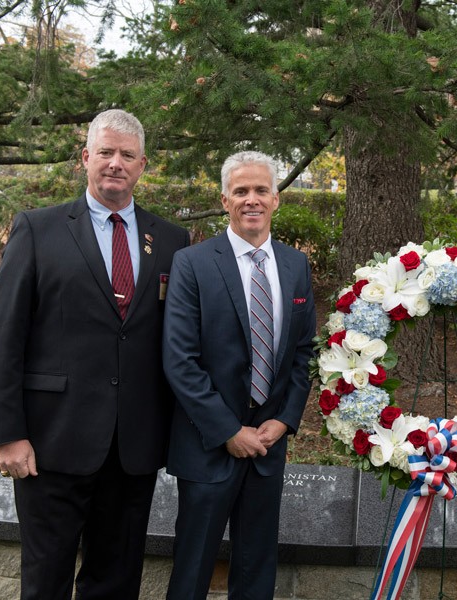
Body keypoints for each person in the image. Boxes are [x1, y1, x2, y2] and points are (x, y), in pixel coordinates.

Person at [0, 109, 191, 600]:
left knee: (116, 583)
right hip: (51, 444)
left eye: (127, 155)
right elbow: (2, 337)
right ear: (85, 158)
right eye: (105, 152)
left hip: (133, 449)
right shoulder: (38, 229)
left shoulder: (171, 242)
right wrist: (7, 434)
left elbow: (178, 340)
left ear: (143, 165)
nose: (115, 163)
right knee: (45, 580)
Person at [162, 151, 316, 599]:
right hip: (208, 447)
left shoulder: (295, 266)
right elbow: (180, 360)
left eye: (261, 190)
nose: (253, 200)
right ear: (226, 199)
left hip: (268, 447)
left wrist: (285, 420)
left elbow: (303, 353)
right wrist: (229, 430)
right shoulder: (192, 263)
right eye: (242, 191)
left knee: (256, 571)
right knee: (192, 572)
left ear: (276, 199)